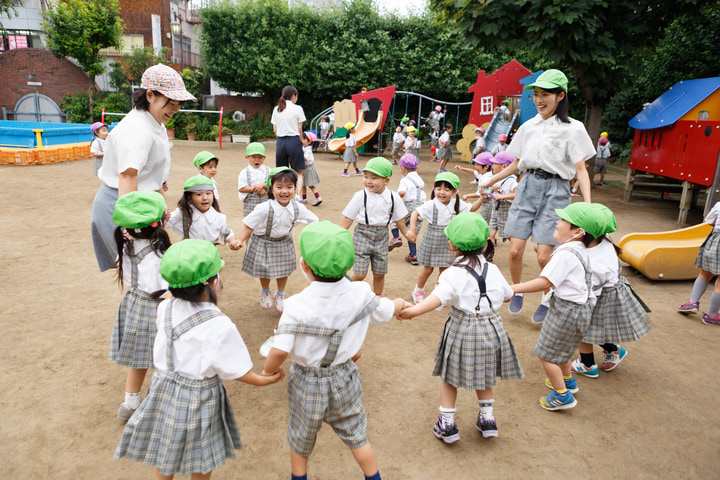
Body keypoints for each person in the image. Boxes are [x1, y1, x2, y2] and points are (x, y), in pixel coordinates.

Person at [114, 239, 284, 479]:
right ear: (214, 281)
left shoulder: (165, 308)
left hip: (163, 390)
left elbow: (170, 296)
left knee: (167, 452)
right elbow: (236, 371)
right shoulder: (219, 324)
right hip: (201, 397)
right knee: (202, 457)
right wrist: (264, 379)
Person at [262, 221, 408, 480]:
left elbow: (280, 351)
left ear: (304, 266)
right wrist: (400, 303)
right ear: (349, 264)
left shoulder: (295, 305)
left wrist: (267, 371)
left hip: (306, 381)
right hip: (345, 377)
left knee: (301, 436)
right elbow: (387, 309)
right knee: (356, 433)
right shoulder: (361, 293)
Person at [480, 69, 595, 323]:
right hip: (528, 186)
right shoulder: (529, 126)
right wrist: (492, 178)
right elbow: (517, 164)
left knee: (544, 255)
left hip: (557, 190)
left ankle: (547, 297)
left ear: (560, 96)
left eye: (546, 95)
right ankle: (517, 289)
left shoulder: (573, 128)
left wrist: (588, 206)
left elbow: (580, 171)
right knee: (514, 252)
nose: (539, 100)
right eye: (536, 95)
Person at [399, 212, 523, 442]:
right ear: (486, 242)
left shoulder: (453, 274)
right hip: (491, 327)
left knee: (449, 375)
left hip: (462, 328)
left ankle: (447, 423)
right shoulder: (492, 270)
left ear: (452, 244)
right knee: (485, 375)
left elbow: (436, 299)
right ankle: (487, 418)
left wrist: (412, 312)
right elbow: (507, 295)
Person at [91, 63, 196, 272]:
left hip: (143, 202)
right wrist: (129, 224)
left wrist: (160, 203)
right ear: (150, 95)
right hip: (124, 203)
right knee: (144, 275)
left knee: (153, 272)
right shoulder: (136, 129)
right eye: (171, 102)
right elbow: (128, 176)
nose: (176, 109)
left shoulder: (155, 121)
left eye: (179, 103)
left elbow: (152, 173)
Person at [511, 202, 598, 411]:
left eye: (562, 221)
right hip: (580, 309)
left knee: (546, 354)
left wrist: (514, 288)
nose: (557, 222)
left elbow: (545, 282)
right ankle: (567, 380)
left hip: (566, 311)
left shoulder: (566, 253)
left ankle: (562, 395)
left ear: (577, 232)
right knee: (564, 350)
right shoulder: (580, 249)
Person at [571, 203, 653, 377]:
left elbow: (588, 287)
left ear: (581, 232)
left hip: (598, 297)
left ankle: (587, 364)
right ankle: (613, 349)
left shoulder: (594, 259)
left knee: (581, 329)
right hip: (605, 294)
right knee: (593, 329)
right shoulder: (602, 239)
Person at [109, 191, 170, 421]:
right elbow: (168, 289)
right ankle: (158, 403)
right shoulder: (160, 255)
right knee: (163, 357)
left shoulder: (125, 248)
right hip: (157, 306)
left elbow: (124, 274)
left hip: (133, 303)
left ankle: (130, 402)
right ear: (159, 224)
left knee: (137, 358)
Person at [237, 167, 318, 312]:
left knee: (284, 270)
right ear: (271, 189)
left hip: (284, 241)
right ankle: (265, 290)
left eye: (289, 187)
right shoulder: (264, 207)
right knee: (264, 269)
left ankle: (280, 293)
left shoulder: (297, 207)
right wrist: (240, 240)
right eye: (279, 187)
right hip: (263, 241)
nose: (284, 191)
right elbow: (249, 225)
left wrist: (314, 239)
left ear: (295, 188)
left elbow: (314, 220)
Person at [407, 172, 482, 304]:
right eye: (438, 189)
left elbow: (472, 208)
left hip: (449, 240)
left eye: (447, 190)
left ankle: (439, 292)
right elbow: (415, 213)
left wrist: (482, 198)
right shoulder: (431, 204)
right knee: (428, 269)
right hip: (432, 239)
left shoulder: (456, 204)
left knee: (444, 268)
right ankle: (418, 290)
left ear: (455, 191)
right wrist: (412, 230)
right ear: (434, 189)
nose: (442, 192)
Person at [341, 157, 409, 295]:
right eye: (366, 177)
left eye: (374, 178)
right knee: (360, 274)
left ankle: (377, 298)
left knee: (379, 273)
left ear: (386, 180)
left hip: (382, 236)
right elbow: (348, 218)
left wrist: (407, 234)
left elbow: (399, 219)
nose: (368, 181)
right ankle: (344, 293)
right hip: (362, 235)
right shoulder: (360, 196)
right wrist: (338, 235)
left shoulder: (393, 197)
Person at [166, 176, 241, 249]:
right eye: (198, 194)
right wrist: (163, 216)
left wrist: (233, 242)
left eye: (208, 193)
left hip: (209, 254)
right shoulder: (183, 212)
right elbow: (165, 221)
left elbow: (227, 233)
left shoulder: (218, 217)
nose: (205, 198)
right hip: (188, 254)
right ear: (189, 197)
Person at [678, 201, 720, 325]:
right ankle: (712, 316)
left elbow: (709, 220)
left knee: (704, 273)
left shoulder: (718, 204)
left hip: (715, 241)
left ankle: (692, 302)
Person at [389, 153, 426, 265]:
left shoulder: (404, 180)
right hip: (421, 208)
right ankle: (413, 255)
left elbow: (402, 192)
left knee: (393, 220)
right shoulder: (419, 179)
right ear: (417, 167)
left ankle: (396, 238)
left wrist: (394, 198)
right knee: (412, 231)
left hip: (409, 205)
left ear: (402, 169)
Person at [271, 85, 306, 196]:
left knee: (281, 172)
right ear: (293, 96)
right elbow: (300, 129)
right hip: (294, 140)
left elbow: (275, 130)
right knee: (298, 172)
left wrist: (281, 141)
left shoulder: (277, 109)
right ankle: (297, 196)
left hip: (281, 142)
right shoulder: (298, 108)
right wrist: (301, 141)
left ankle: (282, 194)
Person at [487, 151, 518, 245]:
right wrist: (491, 189)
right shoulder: (494, 178)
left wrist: (502, 196)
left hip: (506, 210)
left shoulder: (511, 181)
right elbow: (484, 191)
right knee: (490, 235)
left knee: (508, 235)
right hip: (495, 210)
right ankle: (489, 256)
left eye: (495, 163)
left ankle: (515, 251)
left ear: (504, 166)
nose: (492, 166)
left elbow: (518, 195)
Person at [456, 152, 494, 224]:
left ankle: (487, 235)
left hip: (488, 202)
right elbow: (473, 172)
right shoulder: (484, 173)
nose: (475, 167)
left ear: (486, 167)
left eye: (478, 165)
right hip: (486, 200)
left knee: (485, 221)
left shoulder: (486, 179)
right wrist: (462, 169)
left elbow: (480, 194)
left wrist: (467, 195)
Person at [237, 142, 271, 218]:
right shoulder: (244, 172)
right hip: (250, 204)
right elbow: (241, 188)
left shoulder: (268, 171)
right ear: (247, 157)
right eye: (254, 157)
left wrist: (263, 185)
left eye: (260, 157)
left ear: (264, 158)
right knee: (250, 223)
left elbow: (273, 186)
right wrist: (256, 188)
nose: (257, 160)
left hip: (266, 202)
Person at [300, 131, 322, 206]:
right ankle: (304, 198)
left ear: (309, 142)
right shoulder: (304, 147)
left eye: (304, 140)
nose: (302, 141)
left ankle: (318, 197)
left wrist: (299, 154)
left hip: (308, 168)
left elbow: (305, 158)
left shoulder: (308, 149)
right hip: (304, 168)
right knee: (303, 184)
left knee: (310, 185)